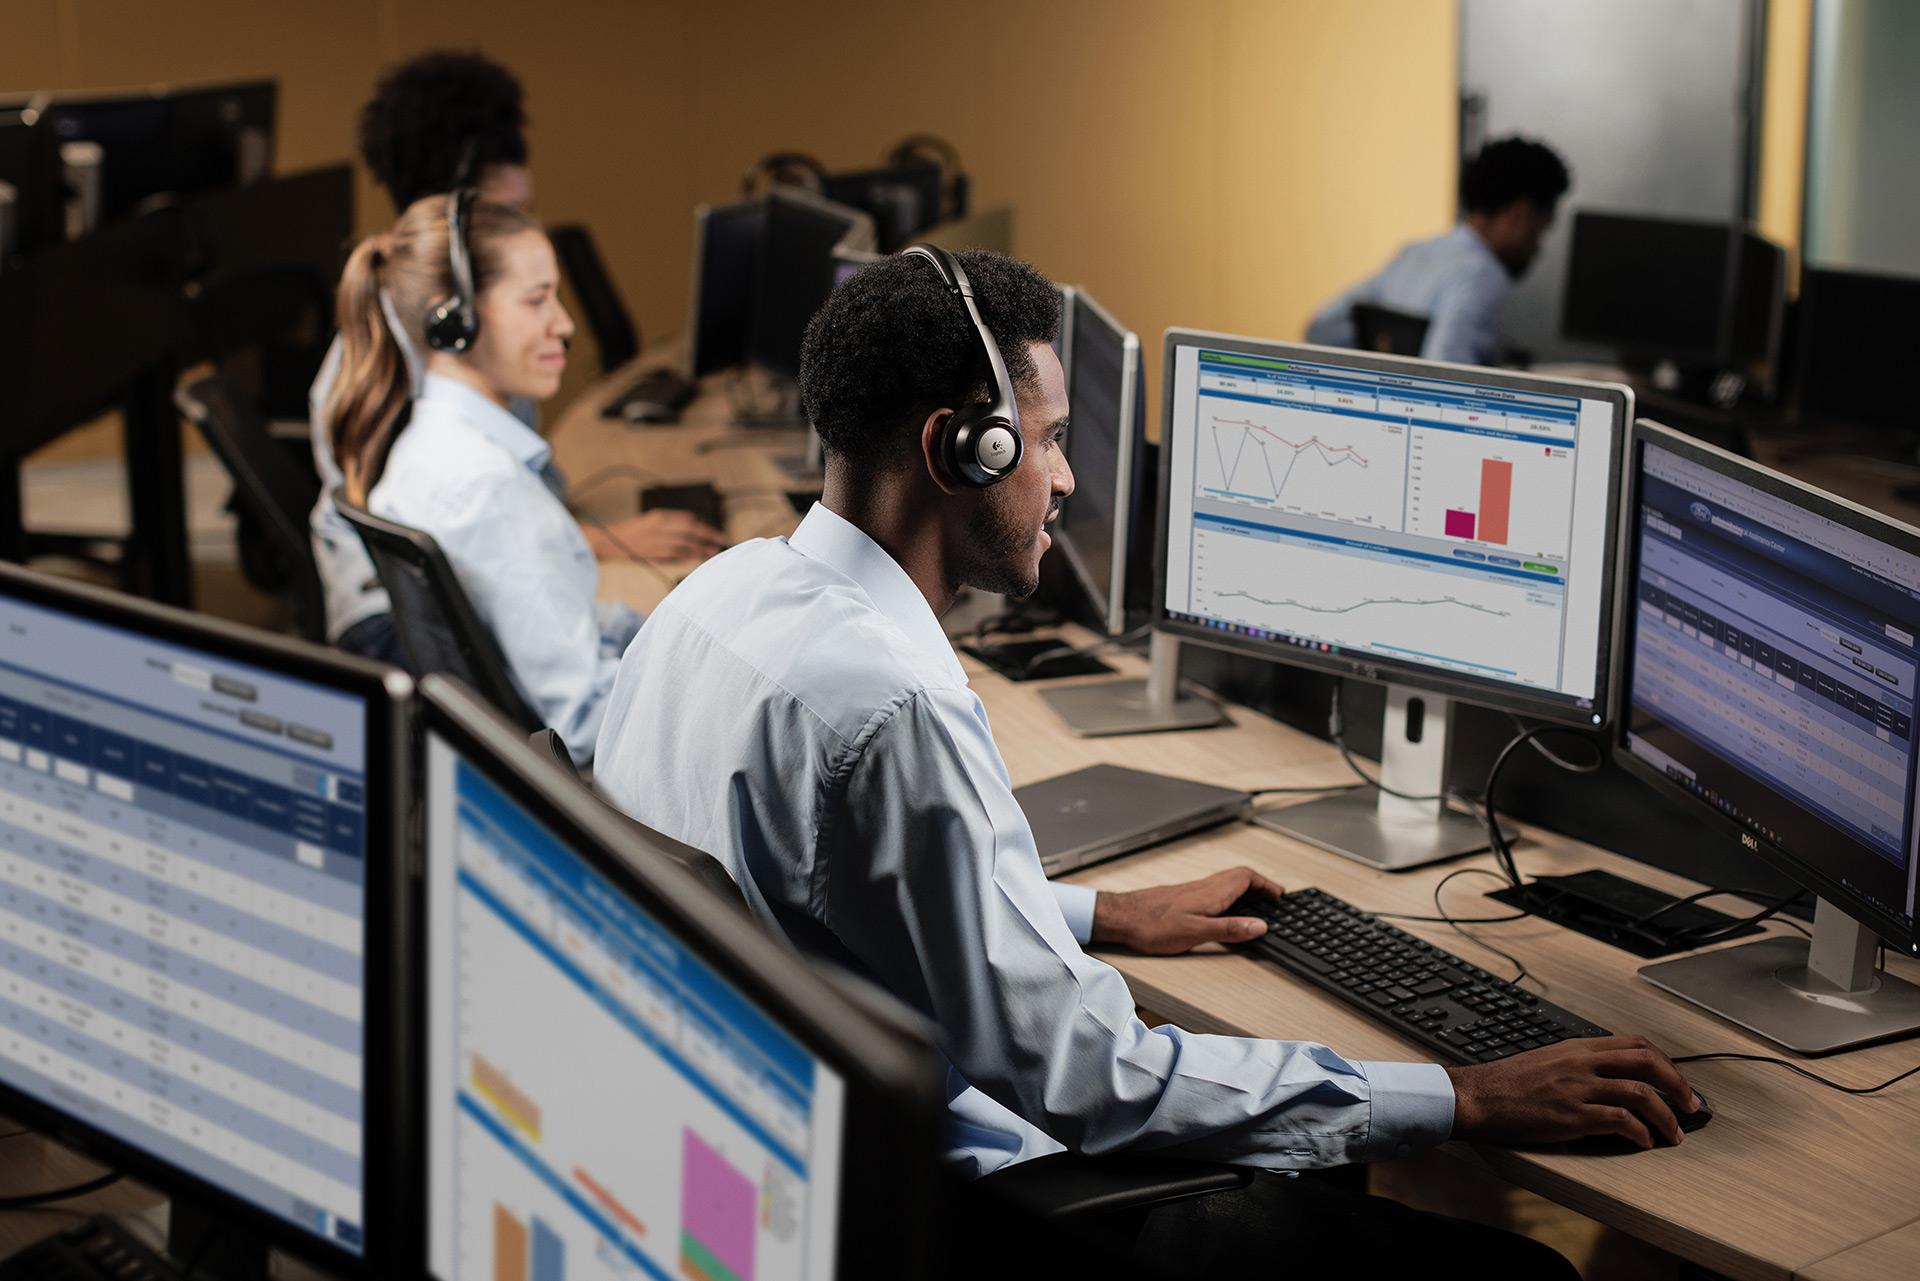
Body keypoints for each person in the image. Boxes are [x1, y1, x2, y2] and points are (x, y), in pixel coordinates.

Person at [594, 249, 1697, 1271]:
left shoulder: (718, 595)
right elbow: (1095, 1081)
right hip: (967, 1207)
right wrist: (1464, 1097)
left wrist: (1100, 914)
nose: (1067, 479)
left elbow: (838, 896)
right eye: (1050, 437)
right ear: (959, 449)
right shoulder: (896, 708)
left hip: (764, 1164)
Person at [309, 51, 721, 662]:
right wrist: (585, 542)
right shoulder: (392, 360)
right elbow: (466, 533)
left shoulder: (481, 344)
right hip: (394, 628)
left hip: (467, 581)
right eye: (508, 209)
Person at [324, 195, 658, 761]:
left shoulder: (424, 443)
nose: (564, 324)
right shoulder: (489, 489)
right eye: (537, 300)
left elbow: (545, 613)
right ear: (452, 320)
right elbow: (583, 722)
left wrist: (664, 633)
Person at [1306, 136, 1571, 366]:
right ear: (1520, 215)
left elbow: (1322, 329)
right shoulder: (1483, 274)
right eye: (1541, 231)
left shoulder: (1414, 254)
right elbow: (1449, 373)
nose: (1537, 248)